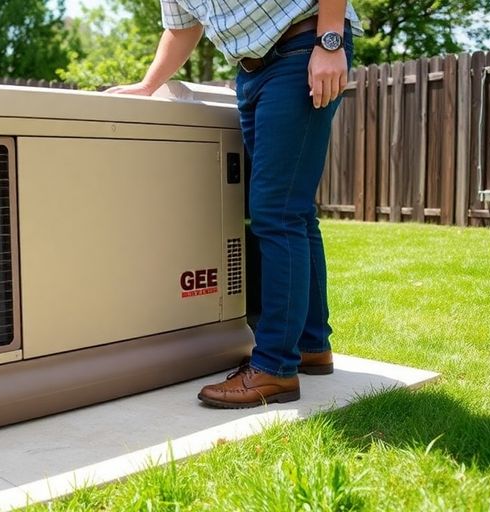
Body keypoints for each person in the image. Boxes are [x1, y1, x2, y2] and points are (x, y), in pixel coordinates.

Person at [107, 1, 362, 408]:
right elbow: (182, 28)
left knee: (277, 213)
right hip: (251, 71)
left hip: (300, 46)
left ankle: (276, 368)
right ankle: (311, 345)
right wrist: (148, 83)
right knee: (293, 213)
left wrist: (329, 42)